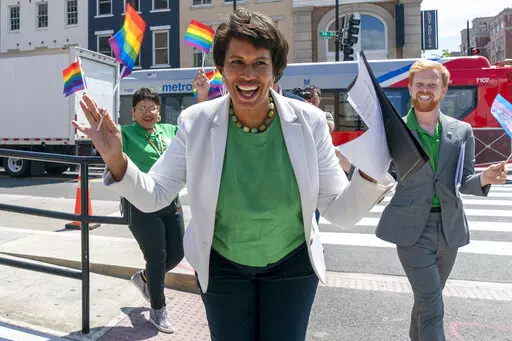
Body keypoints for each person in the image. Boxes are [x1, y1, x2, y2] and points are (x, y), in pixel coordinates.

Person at [73, 8, 395, 341]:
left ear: (275, 71)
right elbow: (155, 194)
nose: (248, 74)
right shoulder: (195, 122)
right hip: (222, 267)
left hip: (293, 266)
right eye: (236, 62)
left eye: (260, 63)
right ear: (222, 70)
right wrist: (116, 159)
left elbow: (339, 211)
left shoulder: (310, 122)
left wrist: (372, 171)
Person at [375, 59, 507, 341]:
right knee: (433, 306)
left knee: (426, 302)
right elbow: (378, 174)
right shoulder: (393, 129)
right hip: (412, 231)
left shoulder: (462, 131)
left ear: (444, 90)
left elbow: (464, 180)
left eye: (432, 85)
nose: (426, 89)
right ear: (410, 89)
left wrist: (486, 178)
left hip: (449, 229)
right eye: (419, 84)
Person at [119, 88, 185, 334]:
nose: (148, 113)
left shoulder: (171, 131)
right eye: (142, 109)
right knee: (157, 257)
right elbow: (110, 147)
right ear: (133, 113)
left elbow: (197, 134)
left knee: (177, 254)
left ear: (159, 112)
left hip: (170, 201)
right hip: (139, 204)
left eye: (152, 108)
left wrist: (202, 95)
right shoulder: (125, 133)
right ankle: (159, 310)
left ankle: (145, 279)